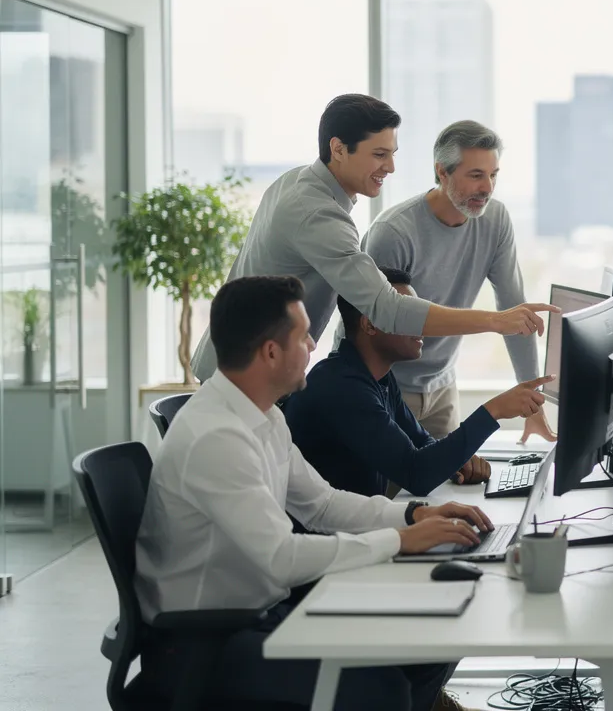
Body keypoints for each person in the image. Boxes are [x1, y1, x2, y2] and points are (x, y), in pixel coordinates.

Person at [137, 275, 492, 711]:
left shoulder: (263, 415)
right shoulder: (216, 437)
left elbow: (321, 504)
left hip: (261, 613)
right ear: (271, 352)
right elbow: (281, 559)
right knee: (384, 690)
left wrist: (412, 516)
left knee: (429, 639)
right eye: (304, 335)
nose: (312, 345)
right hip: (207, 641)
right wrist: (398, 541)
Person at [190, 94, 557, 382]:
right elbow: (387, 309)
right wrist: (495, 321)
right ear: (338, 149)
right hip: (244, 379)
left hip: (243, 368)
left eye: (392, 154)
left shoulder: (300, 183)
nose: (391, 167)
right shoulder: (318, 213)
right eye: (379, 155)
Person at [363, 120, 555, 446]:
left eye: (493, 175)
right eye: (476, 175)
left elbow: (514, 309)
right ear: (442, 172)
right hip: (386, 387)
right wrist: (494, 323)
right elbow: (385, 325)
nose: (488, 188)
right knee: (394, 495)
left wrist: (531, 397)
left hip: (441, 388)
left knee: (451, 487)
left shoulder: (495, 220)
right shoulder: (394, 232)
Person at [284, 267, 551, 497]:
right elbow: (416, 474)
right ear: (369, 325)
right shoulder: (340, 387)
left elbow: (424, 445)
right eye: (408, 315)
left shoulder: (378, 376)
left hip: (356, 530)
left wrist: (457, 462)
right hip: (329, 543)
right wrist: (494, 410)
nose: (422, 326)